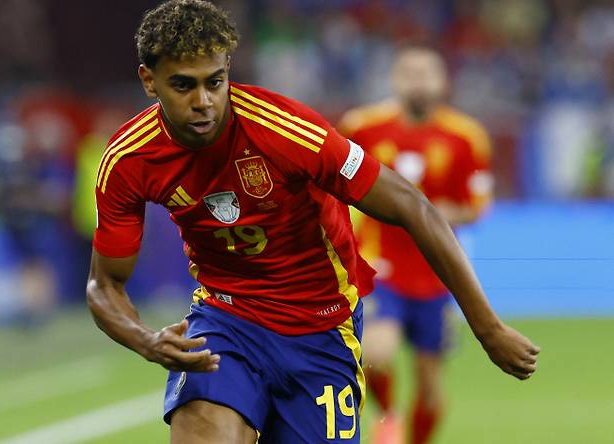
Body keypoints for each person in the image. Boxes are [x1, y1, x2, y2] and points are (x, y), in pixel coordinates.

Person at [85, 2, 540, 443]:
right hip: (226, 318)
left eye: (215, 82)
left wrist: (488, 329)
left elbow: (413, 207)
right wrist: (146, 340)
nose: (203, 102)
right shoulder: (128, 159)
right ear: (149, 81)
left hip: (321, 326)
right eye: (183, 85)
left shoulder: (287, 130)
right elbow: (104, 286)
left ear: (228, 71)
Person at [338, 42, 494, 444]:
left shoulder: (466, 137)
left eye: (427, 75)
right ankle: (388, 416)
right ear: (396, 79)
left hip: (437, 273)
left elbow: (477, 206)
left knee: (429, 385)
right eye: (410, 74)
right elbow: (335, 183)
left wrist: (432, 211)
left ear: (443, 82)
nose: (418, 83)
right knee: (375, 353)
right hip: (379, 263)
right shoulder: (363, 127)